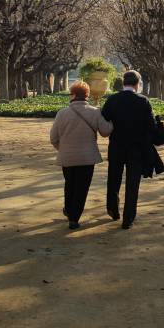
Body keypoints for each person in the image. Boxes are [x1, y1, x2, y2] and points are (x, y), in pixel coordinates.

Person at [49, 81, 113, 229]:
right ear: (87, 95)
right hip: (87, 157)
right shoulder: (95, 111)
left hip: (67, 156)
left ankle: (68, 210)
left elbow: (53, 138)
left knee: (69, 185)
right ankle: (74, 217)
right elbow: (105, 132)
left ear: (72, 95)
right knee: (82, 188)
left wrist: (62, 149)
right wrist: (111, 121)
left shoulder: (62, 113)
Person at [100, 70, 157, 229]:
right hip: (136, 149)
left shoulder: (112, 99)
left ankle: (112, 209)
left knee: (113, 180)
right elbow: (151, 126)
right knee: (133, 184)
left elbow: (103, 119)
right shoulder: (143, 101)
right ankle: (128, 219)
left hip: (117, 146)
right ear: (138, 83)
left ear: (123, 82)